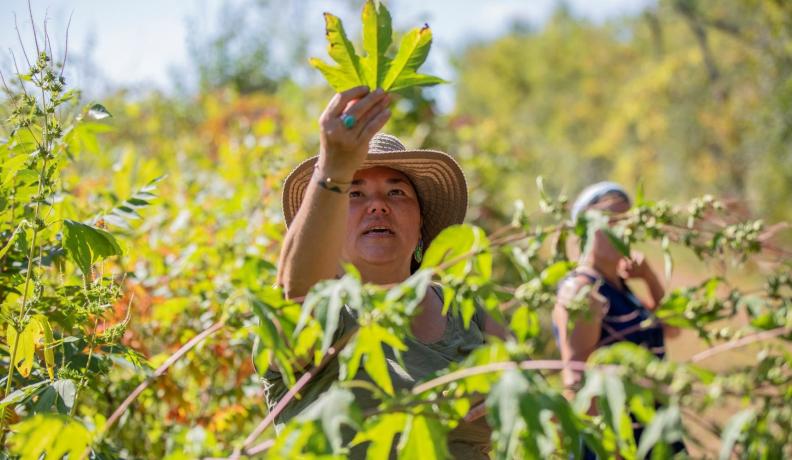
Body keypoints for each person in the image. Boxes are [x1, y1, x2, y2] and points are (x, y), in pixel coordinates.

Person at [264, 86, 508, 459]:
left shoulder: (469, 309)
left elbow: (535, 398)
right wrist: (333, 170)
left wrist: (507, 406)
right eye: (354, 194)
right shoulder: (325, 314)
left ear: (422, 222)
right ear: (326, 222)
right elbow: (296, 293)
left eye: (397, 194)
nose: (377, 206)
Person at [552, 181, 684, 458]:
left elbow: (672, 329)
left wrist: (650, 278)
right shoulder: (582, 292)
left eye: (627, 222)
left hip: (657, 433)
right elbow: (578, 387)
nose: (620, 230)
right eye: (610, 221)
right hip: (619, 442)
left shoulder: (622, 287)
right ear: (584, 229)